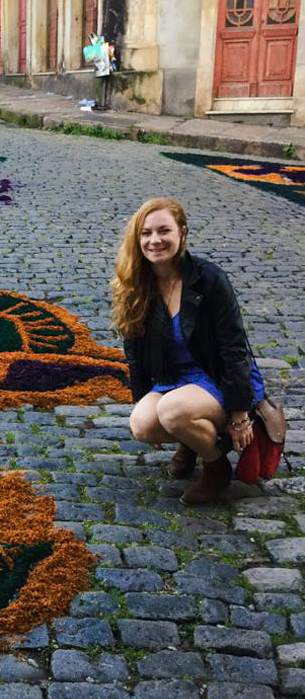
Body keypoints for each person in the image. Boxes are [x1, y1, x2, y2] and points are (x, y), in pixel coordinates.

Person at [112, 198, 265, 505]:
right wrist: (143, 397)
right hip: (173, 378)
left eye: (164, 230)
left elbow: (234, 349)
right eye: (146, 233)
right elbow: (133, 351)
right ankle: (190, 440)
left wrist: (239, 413)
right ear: (137, 239)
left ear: (182, 233)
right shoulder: (136, 283)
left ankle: (215, 466)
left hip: (216, 377)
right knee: (142, 424)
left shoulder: (209, 279)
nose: (155, 240)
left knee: (173, 411)